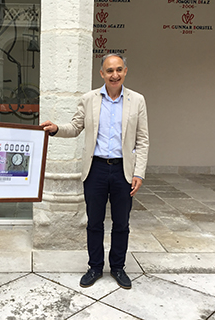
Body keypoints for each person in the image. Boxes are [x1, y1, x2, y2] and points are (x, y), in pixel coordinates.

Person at [41, 53, 149, 289]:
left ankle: (118, 267)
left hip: (123, 171)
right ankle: (95, 267)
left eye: (119, 69)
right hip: (96, 169)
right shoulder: (89, 99)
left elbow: (142, 140)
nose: (114, 74)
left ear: (125, 71)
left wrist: (138, 173)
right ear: (102, 73)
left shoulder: (137, 100)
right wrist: (57, 128)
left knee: (122, 223)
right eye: (109, 70)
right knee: (94, 222)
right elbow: (76, 126)